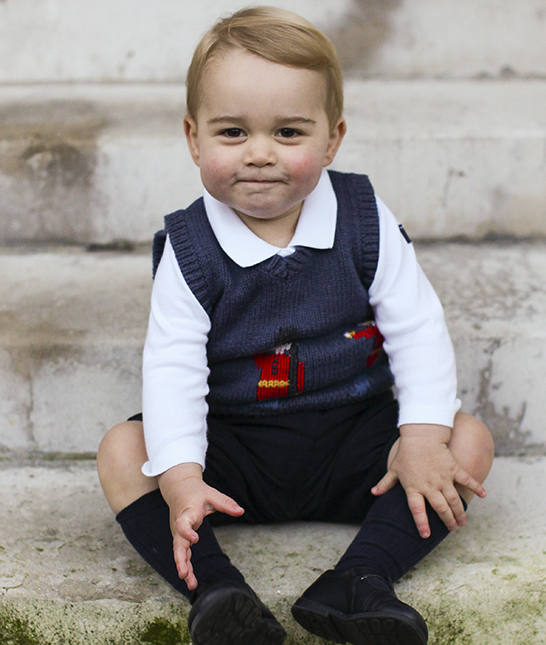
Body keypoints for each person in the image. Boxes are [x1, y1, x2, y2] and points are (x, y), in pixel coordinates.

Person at [96, 6, 494, 645]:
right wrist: (181, 477)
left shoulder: (364, 219)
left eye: (287, 132)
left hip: (353, 442)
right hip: (233, 450)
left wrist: (419, 441)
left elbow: (417, 327)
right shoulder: (190, 247)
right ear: (193, 138)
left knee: (467, 440)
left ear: (331, 139)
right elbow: (172, 366)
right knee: (122, 451)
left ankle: (362, 579)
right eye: (232, 133)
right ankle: (218, 593)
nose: (259, 154)